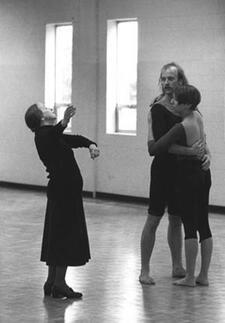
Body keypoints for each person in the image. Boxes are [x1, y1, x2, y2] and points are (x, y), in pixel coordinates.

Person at [139, 62, 206, 285]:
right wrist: (191, 152)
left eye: (171, 79)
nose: (167, 83)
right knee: (154, 218)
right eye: (164, 79)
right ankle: (144, 270)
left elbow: (200, 137)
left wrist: (206, 155)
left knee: (176, 219)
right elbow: (159, 146)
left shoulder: (187, 106)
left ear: (180, 81)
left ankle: (177, 265)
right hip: (163, 169)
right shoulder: (158, 108)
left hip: (183, 172)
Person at [25, 103, 100, 298]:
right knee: (64, 234)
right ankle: (59, 283)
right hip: (63, 191)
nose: (49, 106)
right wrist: (65, 121)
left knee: (58, 233)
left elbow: (74, 139)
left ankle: (52, 281)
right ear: (41, 118)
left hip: (65, 191)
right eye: (45, 107)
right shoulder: (42, 135)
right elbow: (54, 134)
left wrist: (91, 144)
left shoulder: (52, 134)